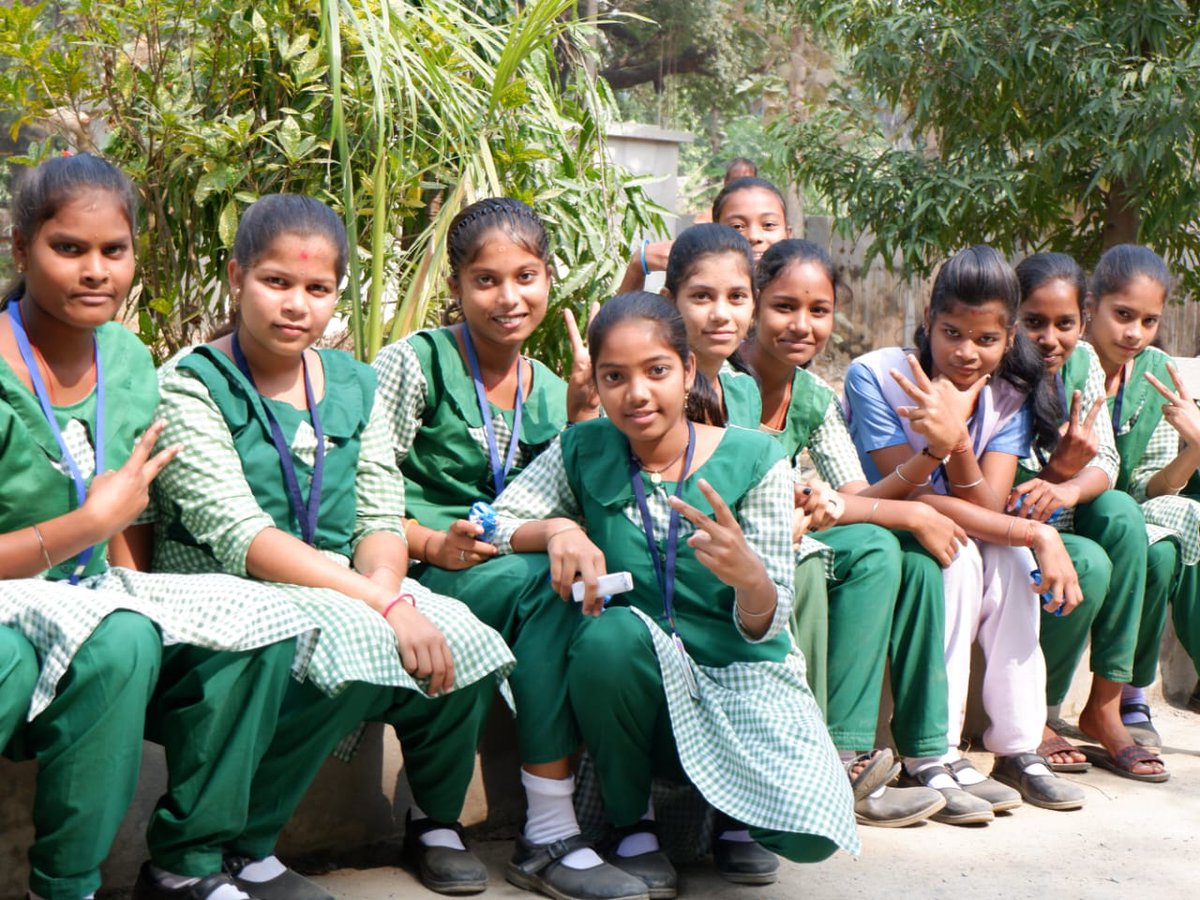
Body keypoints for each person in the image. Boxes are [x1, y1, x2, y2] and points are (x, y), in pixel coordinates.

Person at [150, 194, 516, 897]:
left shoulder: (353, 382)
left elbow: (379, 510)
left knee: (458, 632)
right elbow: (243, 537)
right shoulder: (192, 383)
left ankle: (428, 822)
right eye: (276, 282)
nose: (296, 305)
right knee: (356, 632)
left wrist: (392, 591)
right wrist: (380, 603)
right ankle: (216, 850)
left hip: (340, 590)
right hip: (225, 597)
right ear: (236, 277)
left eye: (317, 289)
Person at [0, 154, 320, 900]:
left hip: (94, 593)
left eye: (114, 250)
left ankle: (190, 861)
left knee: (260, 620)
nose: (95, 270)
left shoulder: (127, 359)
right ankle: (66, 886)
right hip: (16, 599)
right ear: (21, 249)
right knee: (120, 639)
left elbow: (126, 530)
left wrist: (135, 585)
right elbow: (101, 513)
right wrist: (85, 525)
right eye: (68, 248)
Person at [492, 292, 858, 899]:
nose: (636, 394)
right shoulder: (585, 449)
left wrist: (751, 577)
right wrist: (559, 527)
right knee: (608, 634)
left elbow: (769, 624)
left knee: (812, 835)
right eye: (615, 377)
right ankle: (632, 826)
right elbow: (499, 522)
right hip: (639, 695)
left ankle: (735, 815)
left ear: (689, 371)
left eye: (656, 371)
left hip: (736, 684)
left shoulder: (758, 458)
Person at [371, 197, 647, 900]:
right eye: (485, 280)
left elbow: (558, 504)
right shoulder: (416, 364)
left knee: (587, 594)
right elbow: (360, 495)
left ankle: (620, 816)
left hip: (504, 569)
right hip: (415, 572)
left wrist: (584, 422)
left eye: (526, 275)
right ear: (456, 288)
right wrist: (432, 539)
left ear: (550, 278)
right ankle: (525, 831)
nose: (508, 297)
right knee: (540, 589)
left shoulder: (554, 390)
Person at [742, 238, 989, 826]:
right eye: (784, 307)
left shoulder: (811, 395)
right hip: (741, 542)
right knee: (883, 542)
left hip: (801, 526)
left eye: (819, 311)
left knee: (920, 557)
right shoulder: (726, 381)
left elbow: (854, 495)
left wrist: (932, 455)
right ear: (754, 304)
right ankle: (846, 756)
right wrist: (911, 512)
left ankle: (926, 752)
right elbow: (777, 502)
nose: (803, 325)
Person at [844, 245, 1088, 811]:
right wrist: (1038, 532)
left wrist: (957, 442)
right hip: (888, 523)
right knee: (960, 556)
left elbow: (990, 502)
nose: (967, 352)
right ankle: (932, 754)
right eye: (951, 332)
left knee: (1007, 560)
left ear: (1008, 341)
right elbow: (914, 496)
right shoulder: (877, 376)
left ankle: (1018, 748)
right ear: (927, 322)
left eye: (986, 340)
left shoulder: (1008, 395)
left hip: (967, 525)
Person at [1013, 251, 1167, 782]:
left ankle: (1105, 705)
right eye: (1033, 322)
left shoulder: (1081, 362)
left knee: (1123, 513)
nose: (1049, 338)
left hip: (1059, 509)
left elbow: (1106, 459)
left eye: (1064, 324)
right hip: (1007, 520)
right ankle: (1037, 708)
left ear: (1082, 319)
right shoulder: (997, 362)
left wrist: (1069, 486)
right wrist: (1056, 474)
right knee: (1091, 566)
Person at [1083, 244, 1200, 755]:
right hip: (1071, 507)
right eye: (1123, 315)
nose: (1134, 333)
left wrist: (1195, 447)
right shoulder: (1068, 356)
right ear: (1093, 307)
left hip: (1126, 512)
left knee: (1167, 545)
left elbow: (1151, 487)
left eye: (1148, 320)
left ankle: (1131, 695)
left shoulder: (1153, 373)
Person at [660, 224, 761, 429]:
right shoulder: (650, 390)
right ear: (669, 302)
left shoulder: (744, 391)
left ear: (754, 303)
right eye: (702, 296)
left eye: (736, 296)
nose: (721, 315)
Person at [618, 177, 791, 295]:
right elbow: (620, 338)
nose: (754, 236)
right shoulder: (694, 289)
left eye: (768, 225)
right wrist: (637, 265)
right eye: (737, 226)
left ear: (788, 233)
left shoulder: (802, 287)